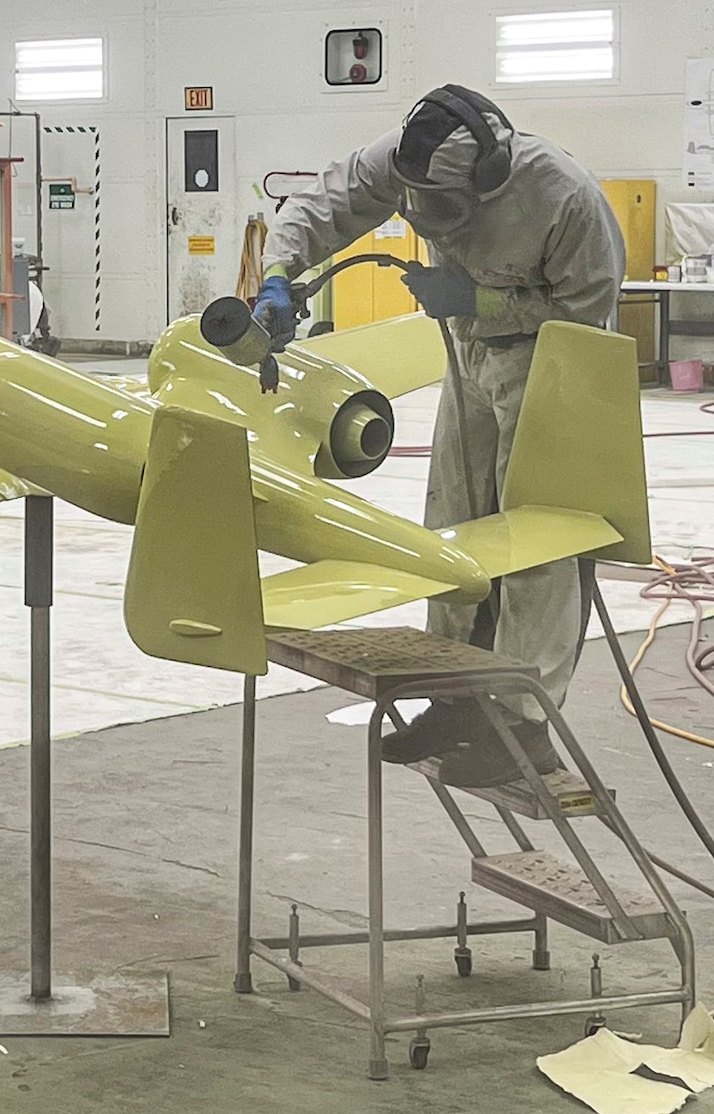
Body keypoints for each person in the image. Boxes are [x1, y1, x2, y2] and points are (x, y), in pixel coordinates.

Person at [254, 85, 625, 786]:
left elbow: (590, 303)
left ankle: (523, 725)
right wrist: (278, 276)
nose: (431, 220)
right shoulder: (397, 161)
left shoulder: (562, 195)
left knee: (538, 541)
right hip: (469, 355)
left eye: (445, 206)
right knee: (453, 527)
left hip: (551, 362)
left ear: (489, 179)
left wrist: (481, 300)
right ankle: (456, 698)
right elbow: (322, 204)